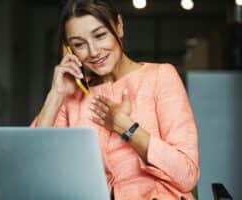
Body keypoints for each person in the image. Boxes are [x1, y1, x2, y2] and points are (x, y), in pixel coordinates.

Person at [30, 0, 199, 199]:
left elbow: (187, 175)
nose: (93, 52)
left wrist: (126, 127)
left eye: (100, 35)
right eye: (79, 44)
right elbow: (31, 166)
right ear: (69, 50)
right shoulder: (71, 95)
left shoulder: (161, 77)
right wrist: (56, 94)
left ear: (119, 27)